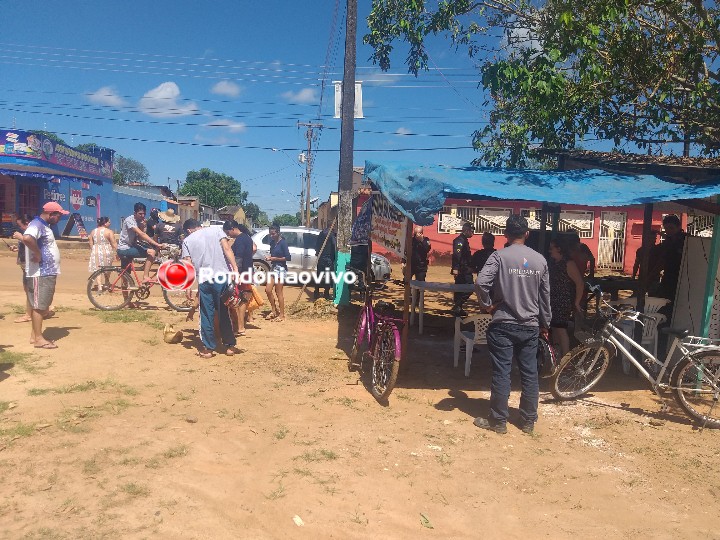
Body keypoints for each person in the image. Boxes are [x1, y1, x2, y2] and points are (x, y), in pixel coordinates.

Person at [474, 215, 551, 435]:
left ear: (505, 235)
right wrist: (545, 323)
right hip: (530, 326)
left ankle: (498, 421)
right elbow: (545, 297)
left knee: (502, 372)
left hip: (503, 324)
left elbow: (481, 283)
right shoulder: (540, 260)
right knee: (530, 373)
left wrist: (487, 305)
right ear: (527, 234)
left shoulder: (498, 256)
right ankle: (528, 421)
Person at [181, 218, 240, 358]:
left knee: (206, 314)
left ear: (189, 230)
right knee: (224, 312)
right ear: (199, 225)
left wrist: (188, 284)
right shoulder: (216, 230)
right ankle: (229, 346)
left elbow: (188, 264)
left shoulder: (187, 241)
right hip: (221, 276)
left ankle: (208, 349)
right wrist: (235, 269)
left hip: (204, 279)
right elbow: (227, 249)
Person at [21, 202, 70, 349]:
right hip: (40, 272)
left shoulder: (43, 225)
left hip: (46, 272)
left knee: (41, 304)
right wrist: (37, 253)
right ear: (51, 214)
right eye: (59, 215)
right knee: (40, 306)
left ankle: (34, 335)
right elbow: (27, 238)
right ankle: (38, 339)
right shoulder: (37, 225)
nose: (60, 218)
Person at [548, 238, 584, 357]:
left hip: (563, 300)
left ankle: (566, 357)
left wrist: (577, 302)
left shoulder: (568, 263)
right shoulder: (554, 263)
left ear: (559, 249)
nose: (550, 250)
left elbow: (579, 283)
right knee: (554, 328)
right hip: (552, 300)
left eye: (552, 248)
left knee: (561, 328)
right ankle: (557, 355)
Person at [117, 202, 165, 284]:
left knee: (126, 274)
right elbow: (142, 234)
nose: (142, 216)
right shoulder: (130, 220)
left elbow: (139, 237)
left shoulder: (139, 221)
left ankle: (126, 295)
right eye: (140, 214)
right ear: (134, 213)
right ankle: (145, 276)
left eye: (144, 214)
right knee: (151, 252)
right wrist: (157, 244)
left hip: (131, 247)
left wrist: (142, 226)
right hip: (124, 248)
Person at [224, 220, 253, 336]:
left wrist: (236, 273)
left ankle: (240, 327)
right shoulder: (246, 238)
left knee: (239, 299)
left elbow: (239, 258)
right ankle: (239, 326)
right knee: (243, 299)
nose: (228, 235)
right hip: (247, 271)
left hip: (242, 273)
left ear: (232, 229)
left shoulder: (241, 240)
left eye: (228, 232)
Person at [264, 223, 291, 322]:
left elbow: (288, 257)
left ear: (278, 232)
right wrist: (270, 258)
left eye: (273, 234)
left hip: (281, 268)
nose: (271, 236)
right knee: (268, 290)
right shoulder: (272, 243)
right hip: (274, 267)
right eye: (270, 234)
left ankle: (282, 315)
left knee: (278, 292)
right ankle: (274, 310)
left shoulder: (283, 243)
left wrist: (274, 258)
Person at [10, 214, 34, 324]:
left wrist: (21, 238)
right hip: (25, 265)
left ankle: (28, 314)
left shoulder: (30, 234)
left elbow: (33, 245)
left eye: (20, 225)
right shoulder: (26, 234)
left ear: (27, 223)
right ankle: (42, 310)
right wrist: (16, 248)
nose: (20, 228)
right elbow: (25, 246)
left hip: (30, 266)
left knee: (29, 290)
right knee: (29, 289)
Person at [657, 214, 686, 301]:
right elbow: (662, 260)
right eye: (666, 228)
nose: (668, 231)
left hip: (682, 279)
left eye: (671, 228)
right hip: (668, 278)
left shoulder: (686, 240)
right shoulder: (667, 242)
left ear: (678, 227)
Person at [451, 222, 475, 317]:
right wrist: (456, 268)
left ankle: (458, 308)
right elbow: (457, 255)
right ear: (466, 230)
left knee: (460, 289)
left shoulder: (464, 240)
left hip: (464, 268)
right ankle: (457, 306)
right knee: (469, 288)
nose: (473, 232)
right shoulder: (460, 241)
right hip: (462, 269)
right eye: (471, 230)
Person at [88, 217, 117, 289]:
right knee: (107, 268)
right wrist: (117, 251)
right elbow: (114, 243)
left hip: (96, 250)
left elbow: (90, 241)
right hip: (107, 251)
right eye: (109, 222)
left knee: (98, 269)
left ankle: (99, 286)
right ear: (105, 223)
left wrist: (93, 249)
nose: (110, 223)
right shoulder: (109, 231)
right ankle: (107, 282)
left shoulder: (93, 231)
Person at [632, 231, 663, 295]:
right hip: (642, 276)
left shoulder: (658, 249)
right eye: (651, 238)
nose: (653, 240)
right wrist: (633, 276)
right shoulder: (641, 250)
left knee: (652, 296)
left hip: (654, 277)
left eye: (654, 238)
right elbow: (636, 264)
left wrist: (658, 232)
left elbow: (669, 239)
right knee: (639, 296)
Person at [314, 223, 337, 299]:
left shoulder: (321, 233)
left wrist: (318, 254)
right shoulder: (331, 234)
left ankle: (316, 292)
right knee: (327, 276)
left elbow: (316, 245)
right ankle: (326, 293)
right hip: (328, 258)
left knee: (319, 276)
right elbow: (334, 245)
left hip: (321, 258)